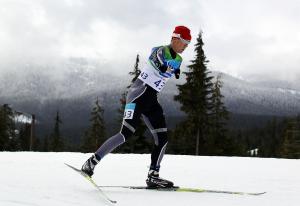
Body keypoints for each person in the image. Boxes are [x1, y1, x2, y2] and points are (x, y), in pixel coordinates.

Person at [81, 25, 192, 188]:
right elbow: (158, 61)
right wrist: (165, 67)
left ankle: (153, 176)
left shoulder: (179, 59)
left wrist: (174, 70)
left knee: (162, 138)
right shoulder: (160, 50)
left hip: (151, 99)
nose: (186, 46)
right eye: (184, 42)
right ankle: (91, 163)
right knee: (125, 134)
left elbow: (173, 68)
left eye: (188, 43)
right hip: (138, 94)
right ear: (175, 39)